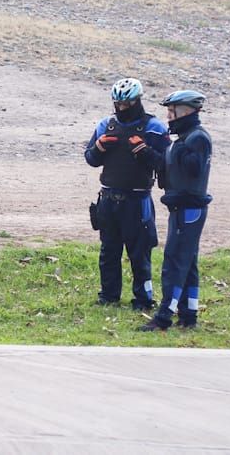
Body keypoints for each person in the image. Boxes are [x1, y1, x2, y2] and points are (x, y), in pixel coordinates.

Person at [84, 78, 170, 311]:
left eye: (126, 104)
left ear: (137, 101)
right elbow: (90, 159)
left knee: (140, 253)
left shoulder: (155, 127)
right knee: (108, 251)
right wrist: (99, 147)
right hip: (109, 198)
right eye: (117, 104)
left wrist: (145, 152)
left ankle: (143, 299)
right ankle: (108, 296)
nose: (121, 109)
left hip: (137, 200)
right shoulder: (106, 125)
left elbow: (167, 164)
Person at [139, 90, 212, 332]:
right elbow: (168, 167)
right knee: (188, 262)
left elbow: (194, 169)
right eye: (168, 111)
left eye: (173, 111)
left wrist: (177, 149)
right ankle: (188, 315)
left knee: (174, 262)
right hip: (180, 208)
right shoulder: (182, 138)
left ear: (188, 111)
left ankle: (163, 317)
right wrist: (149, 155)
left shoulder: (197, 138)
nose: (169, 117)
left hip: (189, 209)